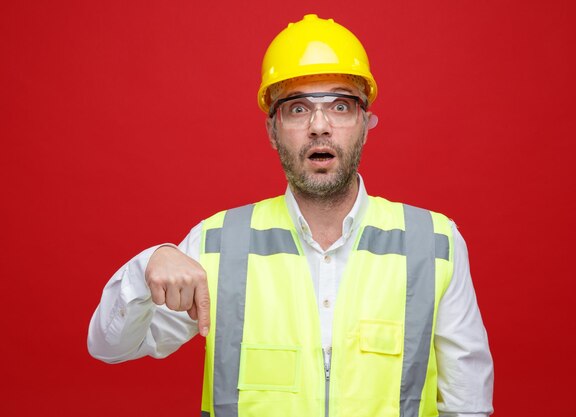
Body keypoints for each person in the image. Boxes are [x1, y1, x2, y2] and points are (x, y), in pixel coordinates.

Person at [88, 14, 494, 417]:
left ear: (365, 124)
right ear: (272, 129)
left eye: (340, 105)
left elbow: (467, 405)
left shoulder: (435, 244)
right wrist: (147, 266)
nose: (320, 126)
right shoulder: (216, 245)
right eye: (298, 108)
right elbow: (110, 347)